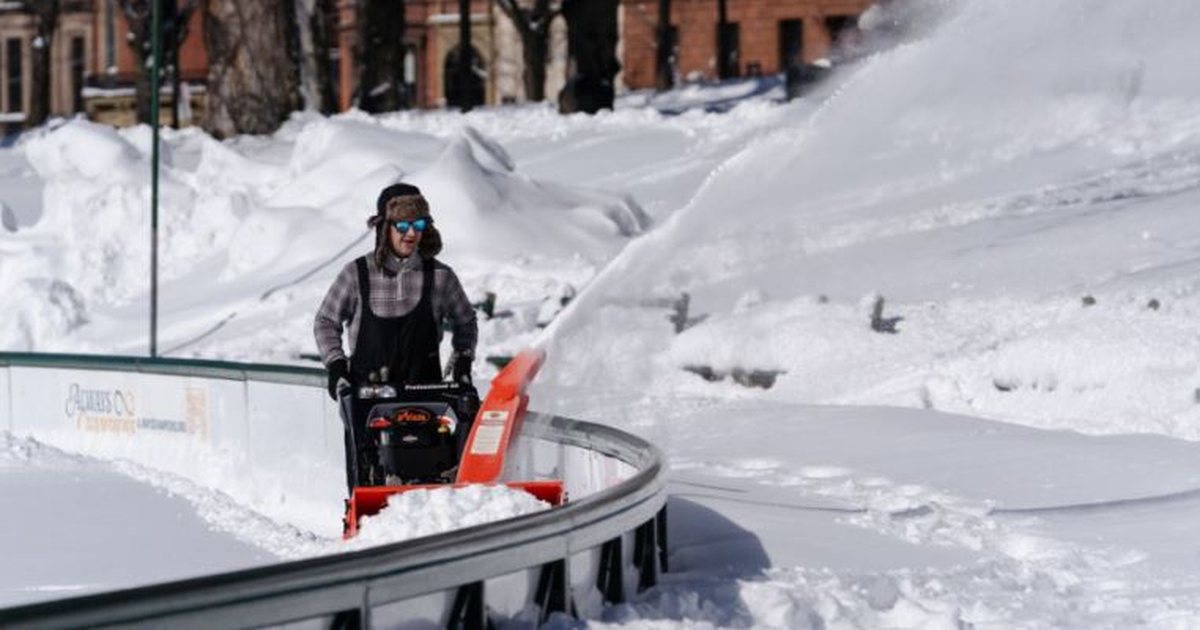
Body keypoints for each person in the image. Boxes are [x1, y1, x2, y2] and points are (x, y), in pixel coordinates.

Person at [313, 183, 478, 489]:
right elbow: (326, 321)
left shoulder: (439, 277)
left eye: (418, 225)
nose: (411, 233)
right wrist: (336, 366)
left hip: (426, 395)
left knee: (435, 468)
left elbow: (466, 321)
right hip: (368, 400)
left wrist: (463, 360)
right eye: (402, 225)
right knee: (368, 474)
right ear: (384, 227)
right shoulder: (356, 274)